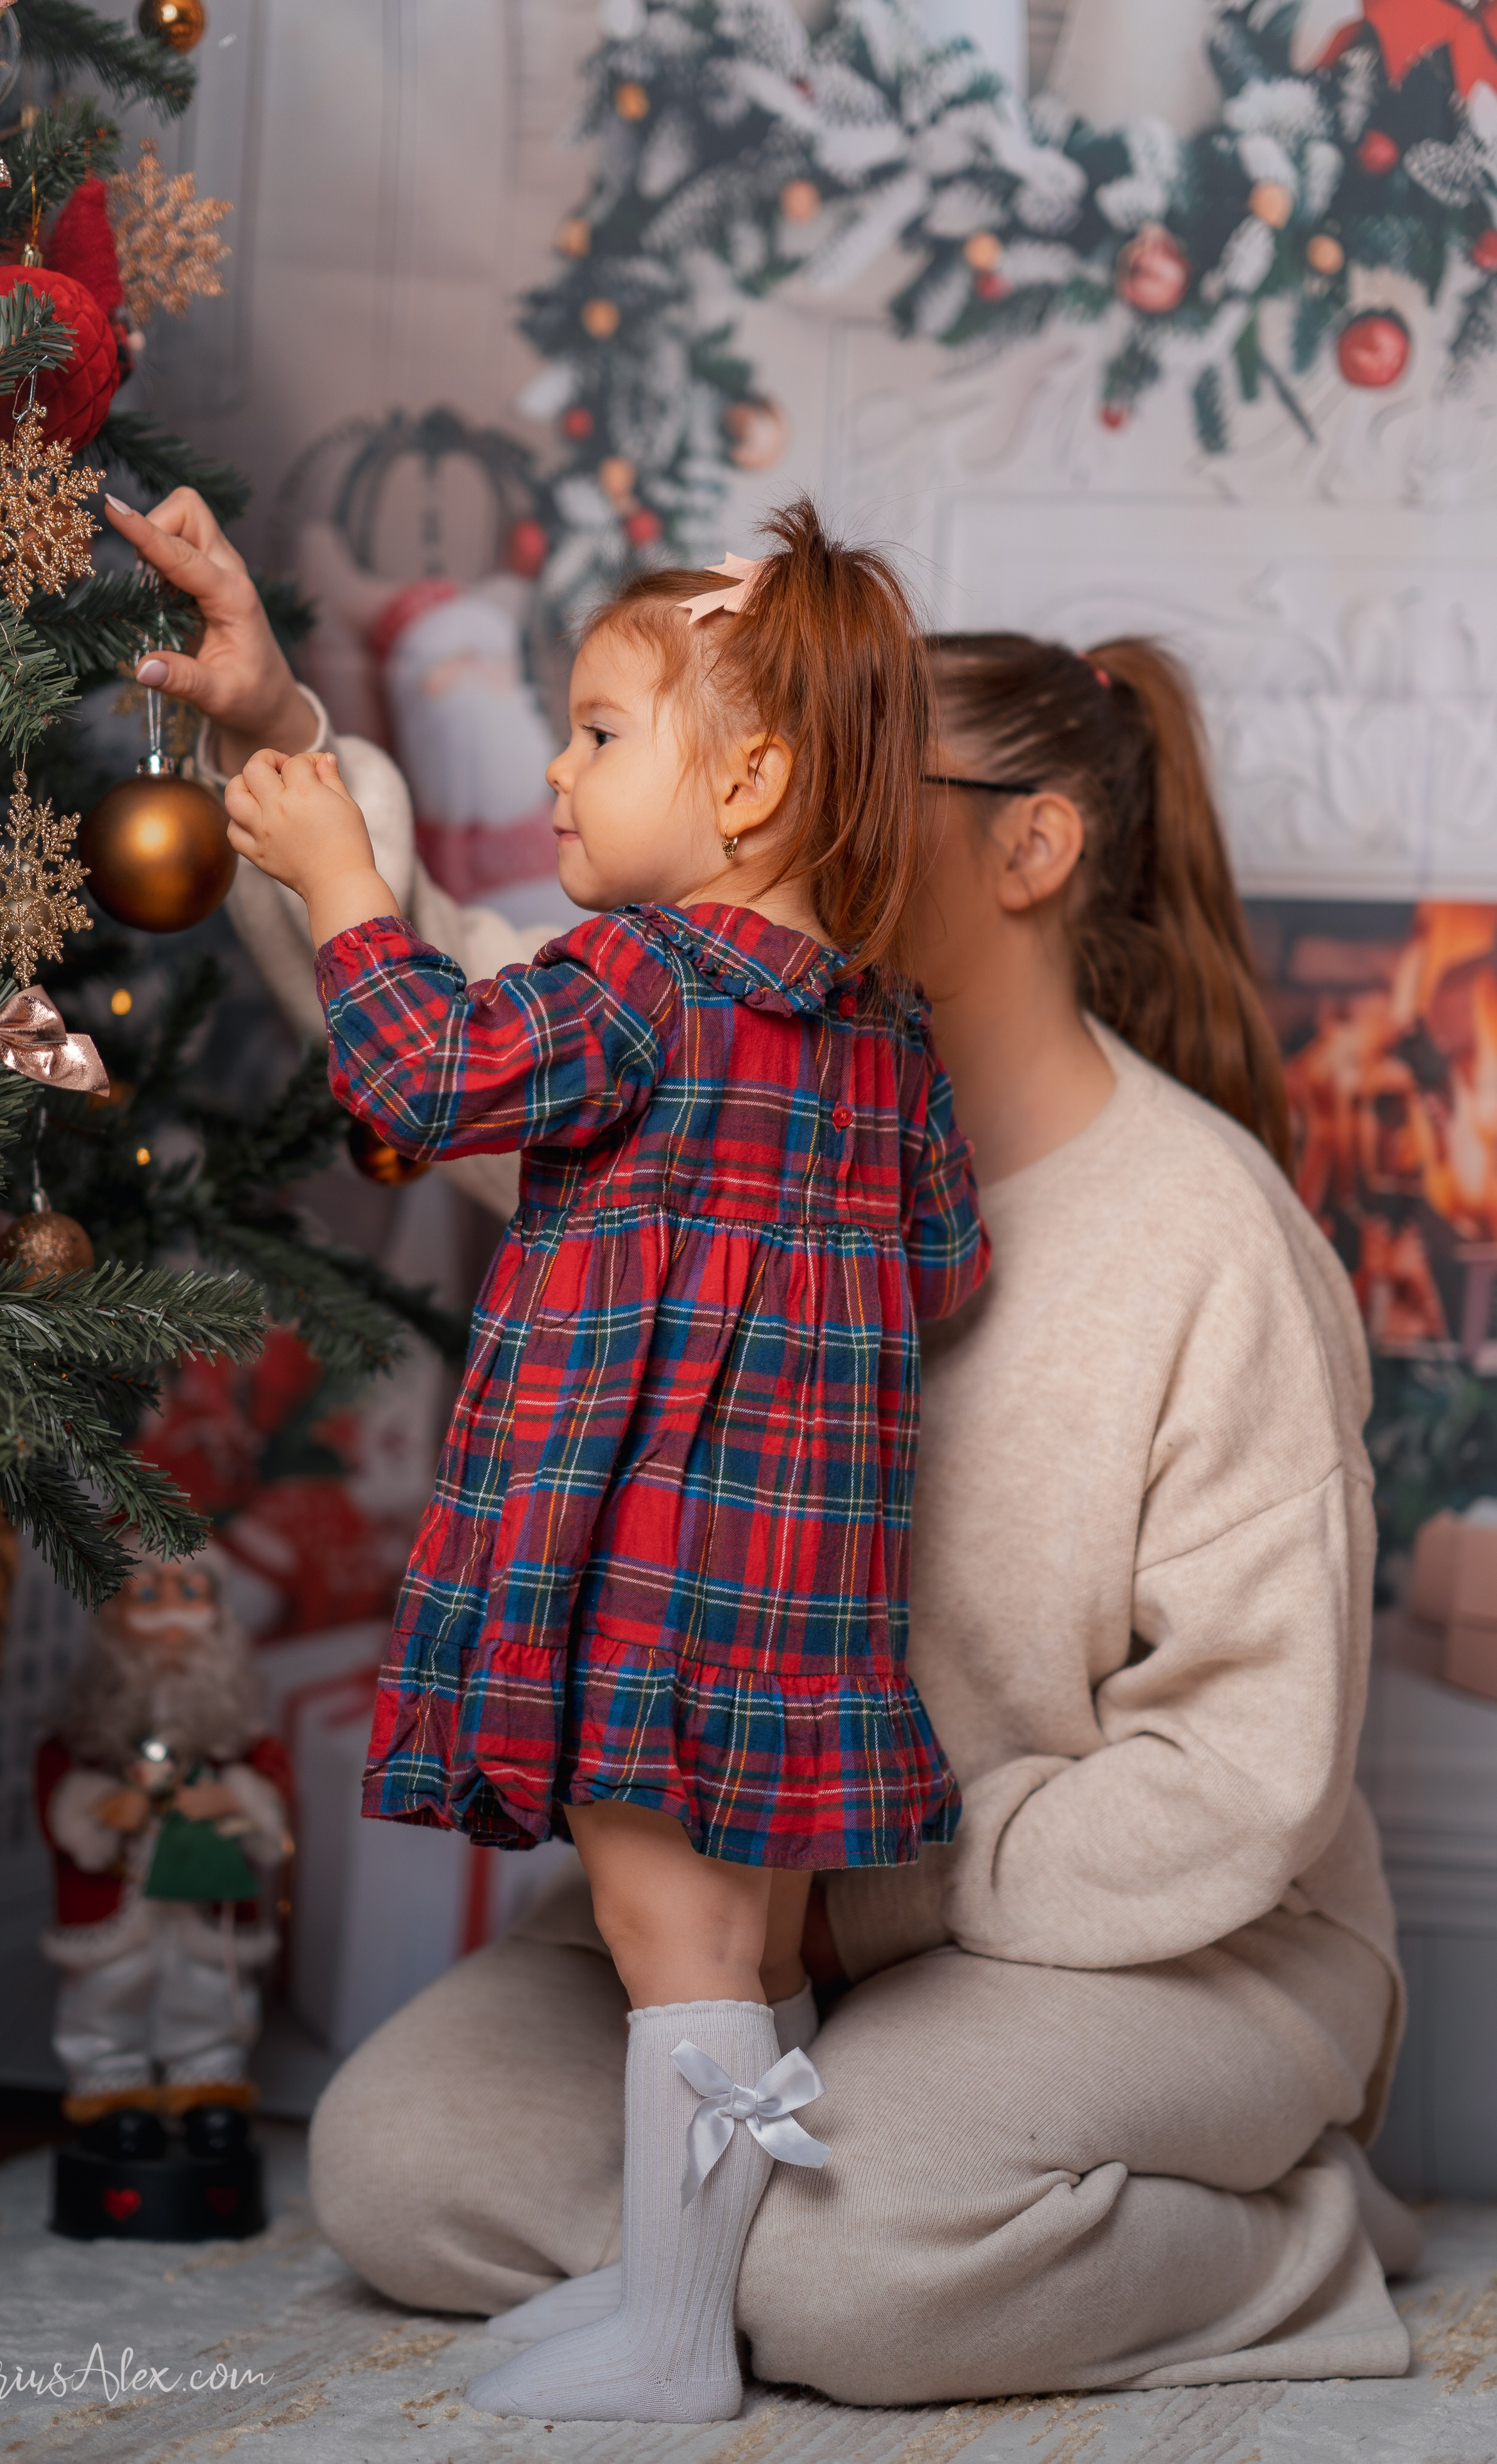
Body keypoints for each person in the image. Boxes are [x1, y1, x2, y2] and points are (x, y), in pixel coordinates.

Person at [105, 489, 1419, 2401]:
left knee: (854, 2276)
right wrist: (278, 738)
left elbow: (1243, 1771)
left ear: (1031, 846)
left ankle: (1284, 2238)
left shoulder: (1206, 1236)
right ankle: (737, 2238)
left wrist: (894, 1879)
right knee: (400, 2160)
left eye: (890, 758)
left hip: (1126, 1937)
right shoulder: (706, 1076)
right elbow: (451, 1017)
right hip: (774, 1870)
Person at [203, 498, 988, 2424]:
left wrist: (341, 891)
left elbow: (423, 1073)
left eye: (599, 732)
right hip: (808, 1579)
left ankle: (670, 2336)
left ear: (750, 777)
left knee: (664, 1930)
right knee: (744, 1929)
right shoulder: (885, 1034)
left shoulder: (638, 976)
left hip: (654, 1557)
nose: (557, 767)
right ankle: (685, 2291)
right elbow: (951, 1263)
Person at [35, 1544, 292, 2124]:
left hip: (204, 1893)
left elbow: (272, 1783)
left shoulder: (235, 1725)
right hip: (115, 1895)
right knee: (108, 1986)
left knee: (206, 1984)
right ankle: (108, 2084)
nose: (171, 1615)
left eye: (189, 1593)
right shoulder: (90, 1724)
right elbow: (56, 1781)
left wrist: (232, 1799)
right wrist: (102, 1809)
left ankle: (208, 2077)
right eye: (148, 1595)